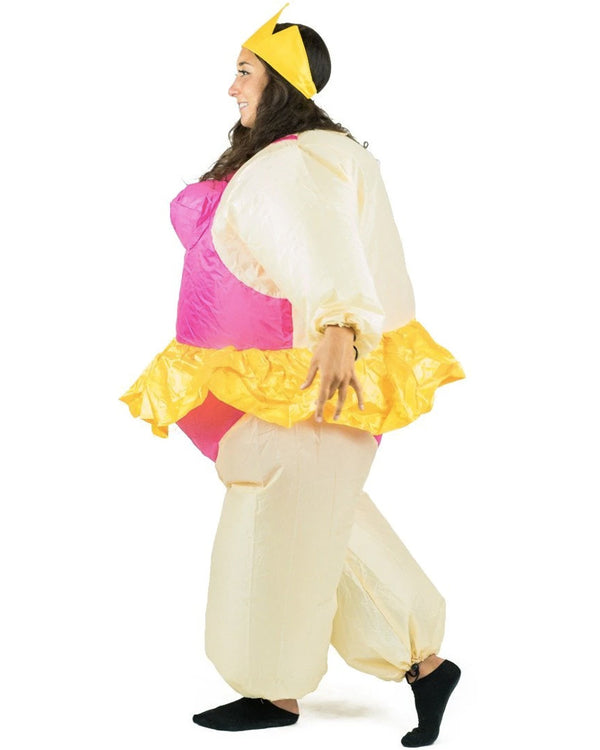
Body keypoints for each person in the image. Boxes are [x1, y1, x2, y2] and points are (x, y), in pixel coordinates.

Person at [120, 4, 465, 746]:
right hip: (307, 381)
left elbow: (321, 246)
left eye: (244, 72)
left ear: (278, 83)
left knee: (270, 520)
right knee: (324, 521)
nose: (231, 88)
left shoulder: (294, 164)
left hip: (308, 382)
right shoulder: (317, 154)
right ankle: (426, 663)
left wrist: (337, 325)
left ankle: (270, 690)